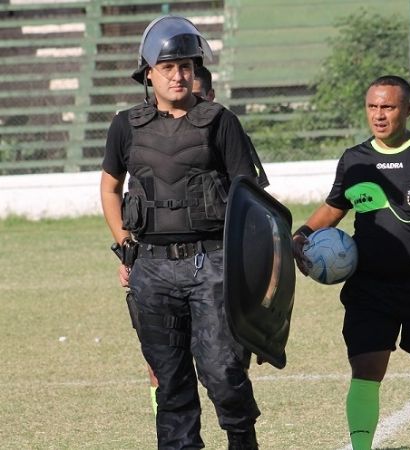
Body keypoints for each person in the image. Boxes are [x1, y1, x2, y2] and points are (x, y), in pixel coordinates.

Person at [100, 15, 266, 449]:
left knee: (223, 372)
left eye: (187, 66)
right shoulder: (124, 125)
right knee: (170, 383)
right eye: (169, 67)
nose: (179, 75)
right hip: (152, 270)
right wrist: (124, 243)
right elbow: (110, 186)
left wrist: (253, 271)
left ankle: (241, 438)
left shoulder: (219, 121)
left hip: (212, 262)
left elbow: (252, 199)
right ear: (148, 73)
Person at [291, 75, 410, 450]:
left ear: (407, 110)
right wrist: (301, 234)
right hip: (370, 285)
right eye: (373, 107)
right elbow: (334, 207)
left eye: (388, 107)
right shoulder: (355, 160)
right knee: (366, 370)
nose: (379, 115)